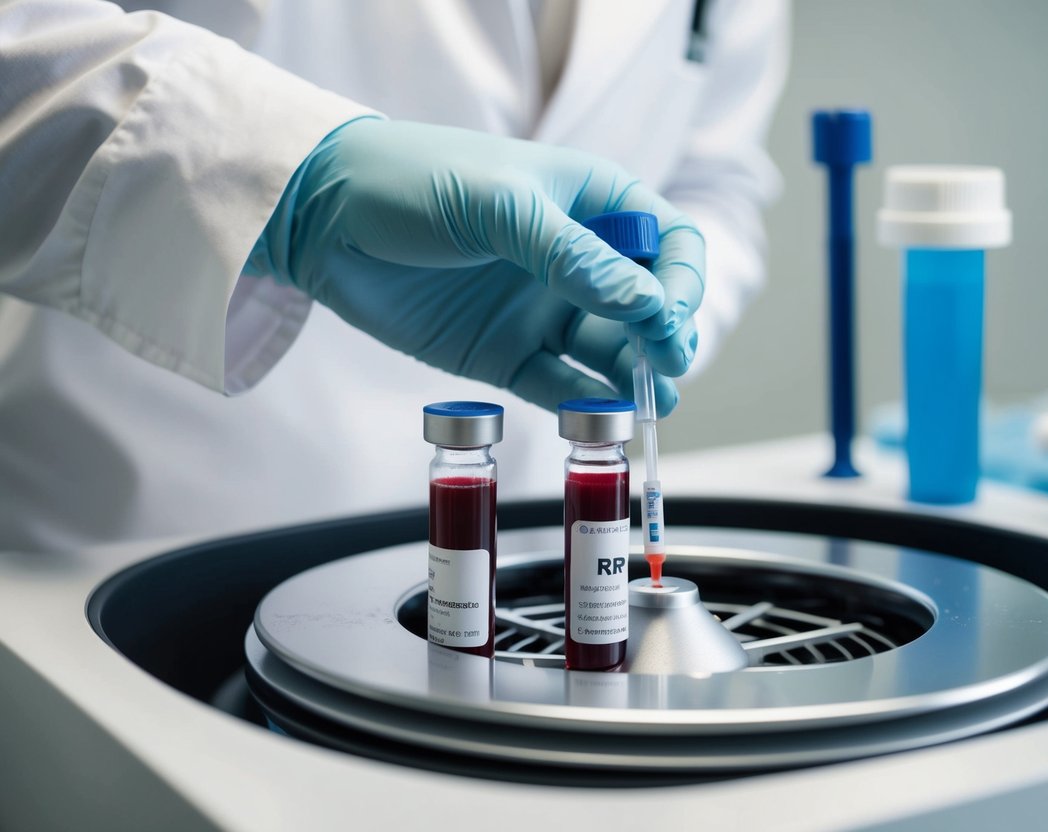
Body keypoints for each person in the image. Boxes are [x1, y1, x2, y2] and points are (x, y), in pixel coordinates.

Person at [0, 0, 788, 553]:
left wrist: (666, 316)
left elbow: (714, 176)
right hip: (154, 514)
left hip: (528, 541)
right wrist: (295, 189)